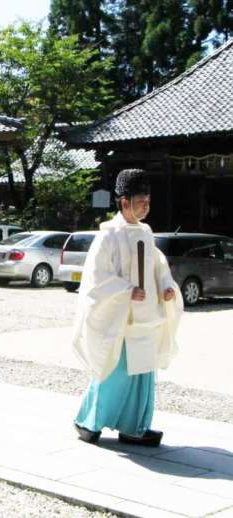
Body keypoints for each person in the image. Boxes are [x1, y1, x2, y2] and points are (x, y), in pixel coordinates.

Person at [73, 169, 183, 447]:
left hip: (146, 318)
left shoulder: (146, 233)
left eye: (148, 199)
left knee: (142, 375)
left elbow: (157, 265)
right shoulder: (107, 236)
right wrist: (126, 290)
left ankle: (134, 427)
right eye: (140, 200)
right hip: (120, 319)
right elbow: (97, 278)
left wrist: (166, 286)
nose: (146, 205)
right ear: (124, 202)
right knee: (114, 372)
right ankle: (89, 422)